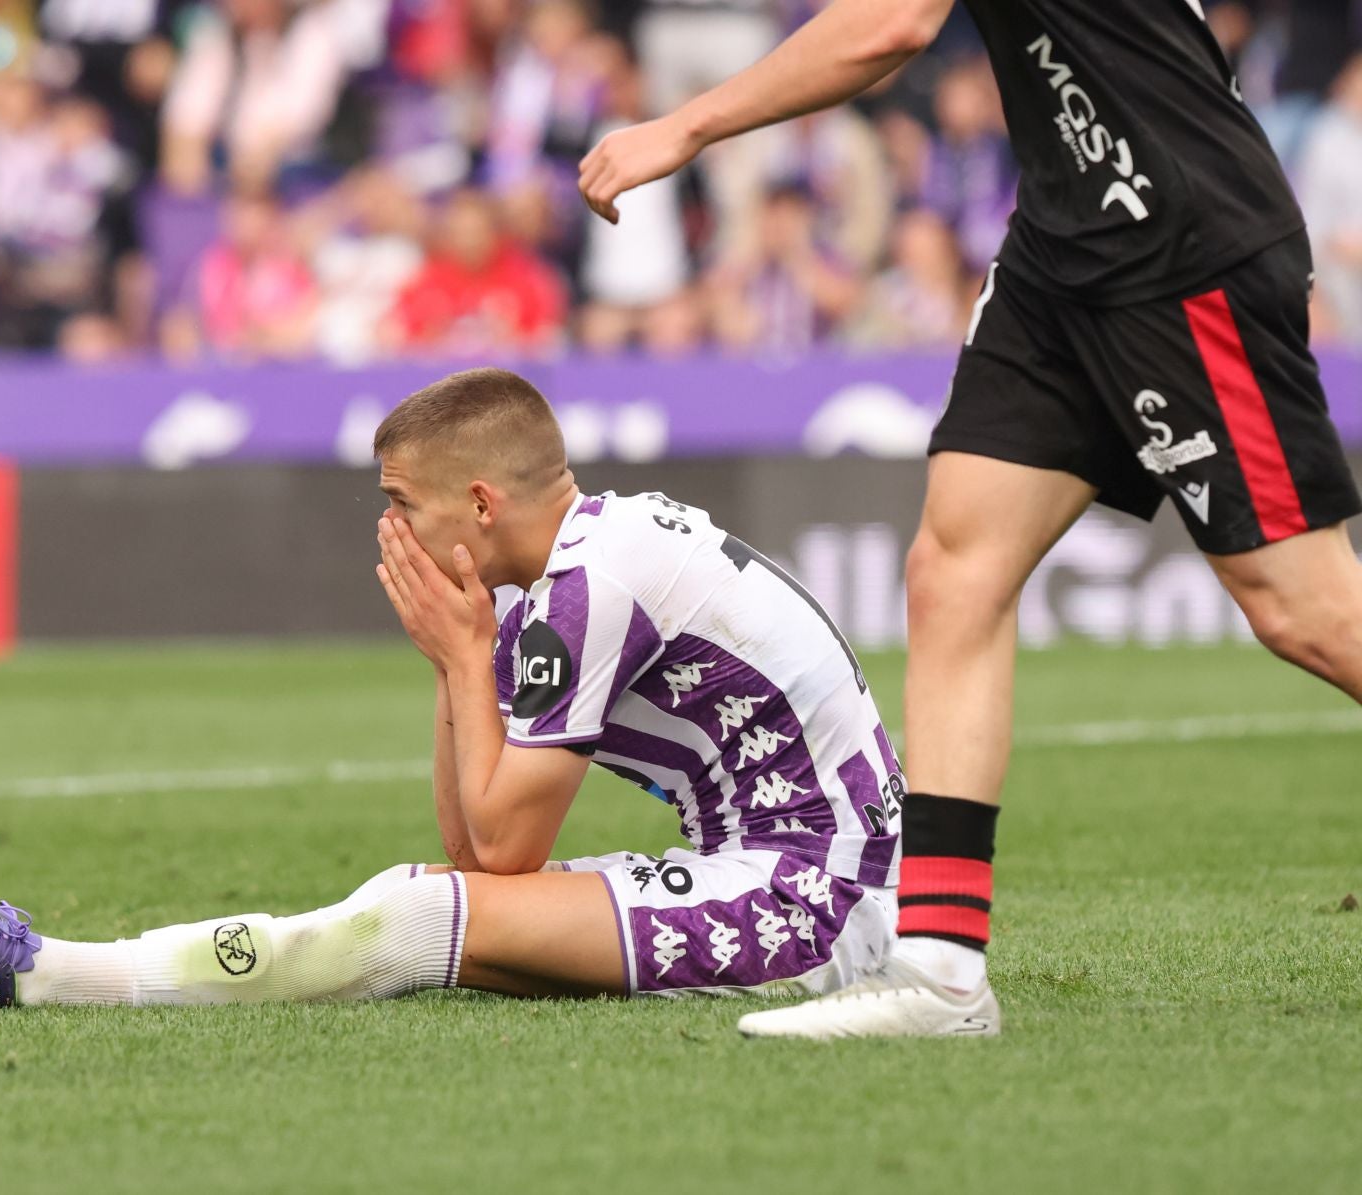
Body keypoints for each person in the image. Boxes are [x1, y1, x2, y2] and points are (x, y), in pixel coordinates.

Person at [578, 0, 1362, 1038]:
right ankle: (941, 972)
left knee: (1305, 609)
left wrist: (682, 126)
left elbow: (888, 25)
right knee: (955, 570)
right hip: (1065, 249)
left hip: (1177, 244)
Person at [0, 366, 905, 1009]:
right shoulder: (571, 572)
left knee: (415, 920)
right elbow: (477, 853)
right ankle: (51, 967)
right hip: (779, 878)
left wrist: (465, 659)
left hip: (819, 905)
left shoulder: (594, 584)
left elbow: (505, 850)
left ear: (478, 500)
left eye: (401, 503)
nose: (391, 528)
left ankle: (45, 973)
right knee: (424, 904)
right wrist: (451, 660)